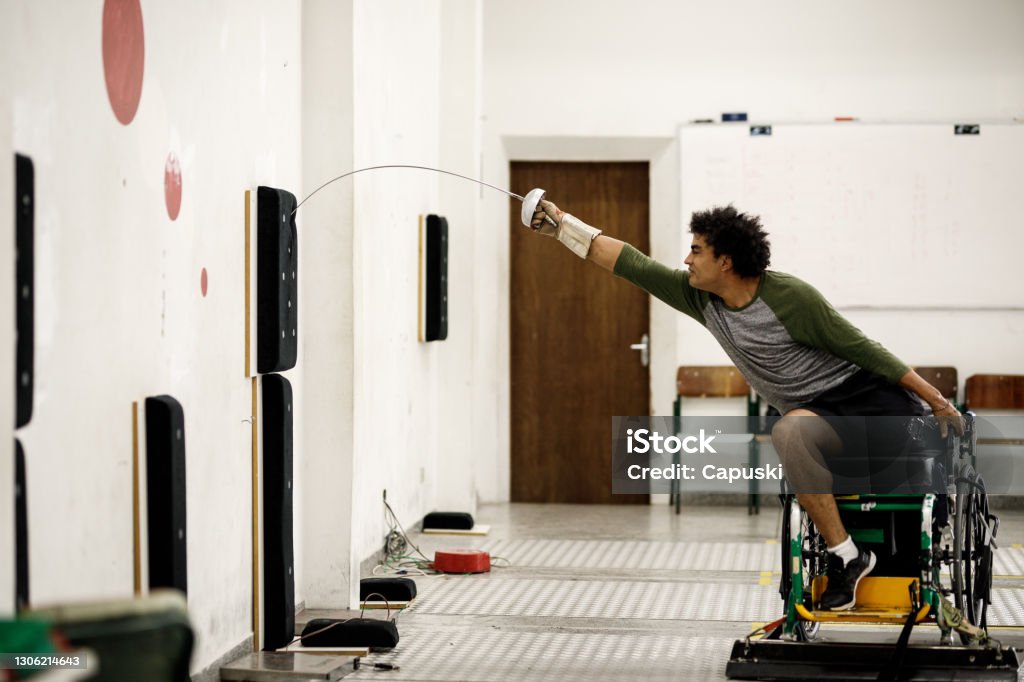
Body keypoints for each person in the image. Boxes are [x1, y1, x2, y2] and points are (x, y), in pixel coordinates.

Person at [528, 199, 963, 611]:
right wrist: (563, 225)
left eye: (696, 250)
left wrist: (939, 402)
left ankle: (916, 566)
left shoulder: (790, 297)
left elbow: (869, 351)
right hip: (814, 412)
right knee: (788, 431)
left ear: (726, 262)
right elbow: (631, 263)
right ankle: (847, 556)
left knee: (914, 493)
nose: (686, 260)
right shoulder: (700, 297)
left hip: (869, 397)